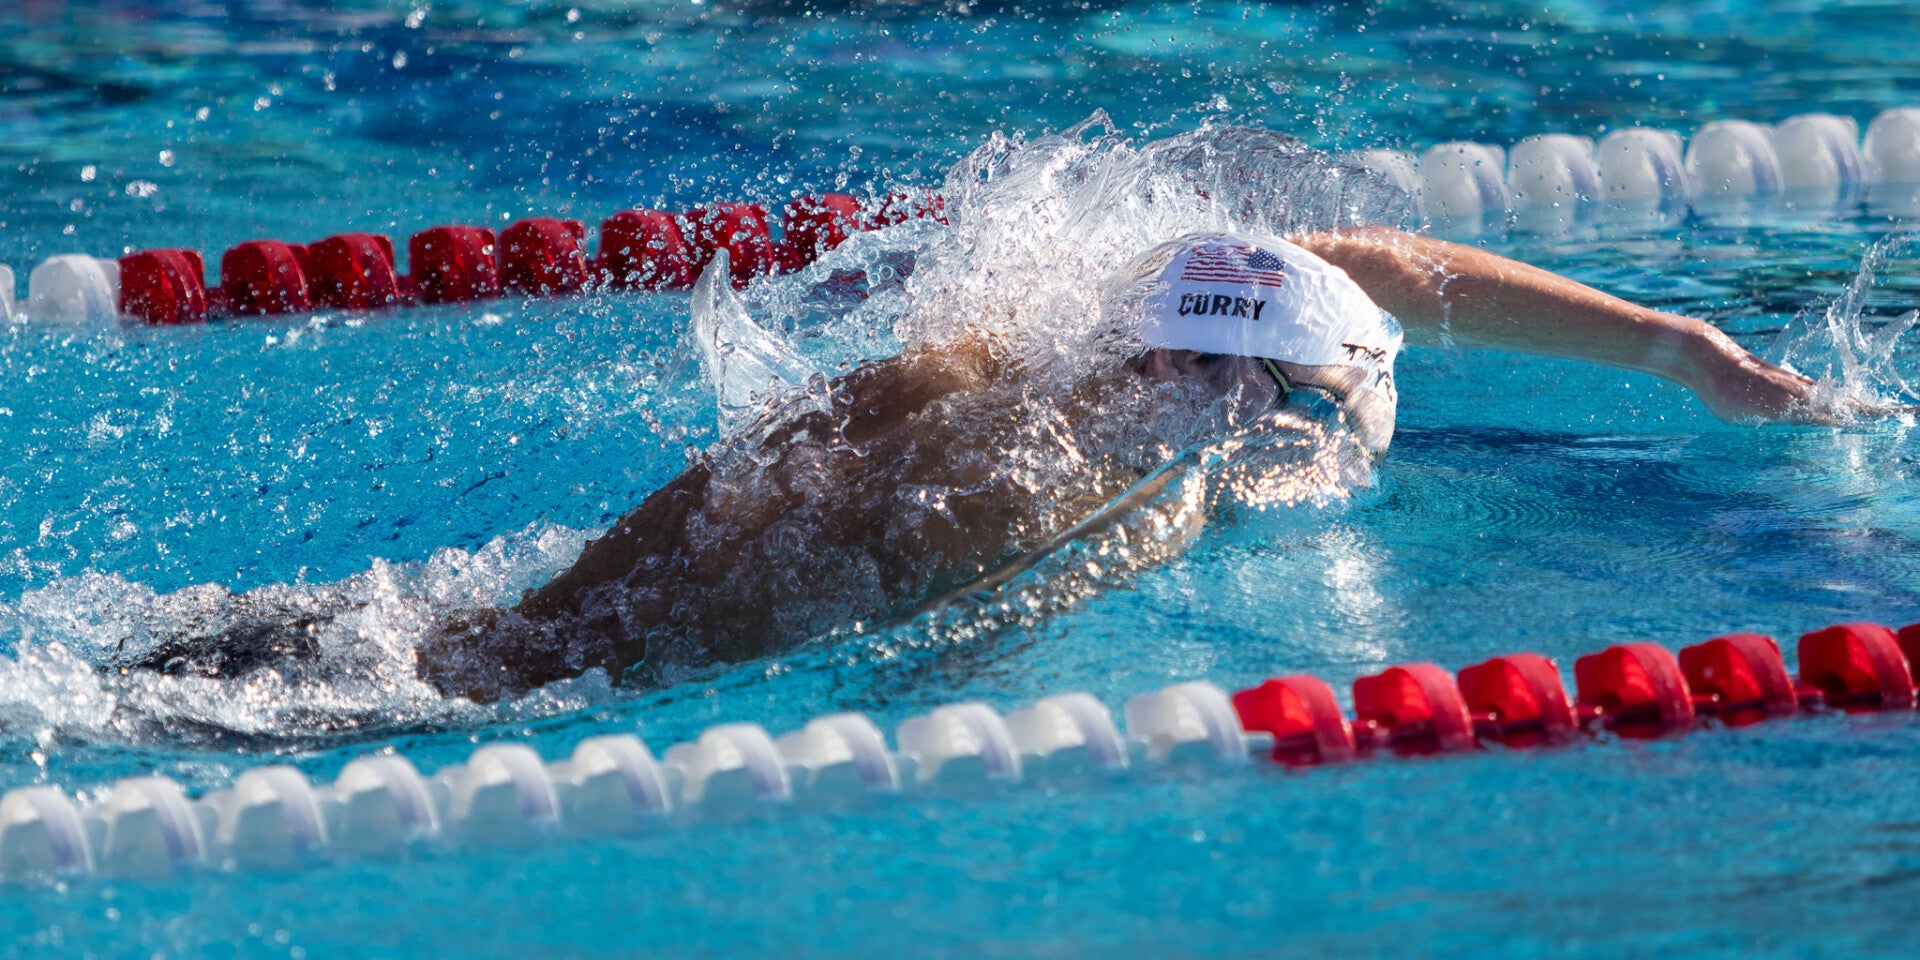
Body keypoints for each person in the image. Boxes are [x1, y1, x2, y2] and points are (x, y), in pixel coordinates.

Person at [131, 225, 1835, 702]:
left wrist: (1680, 348)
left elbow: (1382, 263)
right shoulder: (1131, 474)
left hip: (913, 415)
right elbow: (966, 622)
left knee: (521, 623)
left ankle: (216, 649)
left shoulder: (1057, 346)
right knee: (524, 678)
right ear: (1278, 407)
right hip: (951, 520)